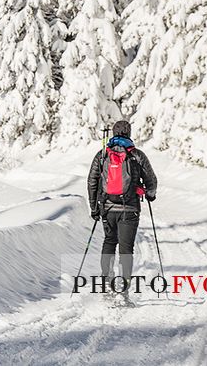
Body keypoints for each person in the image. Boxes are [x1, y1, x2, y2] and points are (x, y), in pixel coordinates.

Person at [86, 119, 158, 303]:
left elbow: (92, 181)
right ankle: (123, 292)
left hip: (107, 208)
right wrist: (150, 195)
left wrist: (94, 207)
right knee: (126, 249)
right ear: (129, 133)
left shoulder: (102, 155)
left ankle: (106, 284)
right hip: (129, 209)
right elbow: (151, 180)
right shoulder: (137, 155)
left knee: (109, 242)